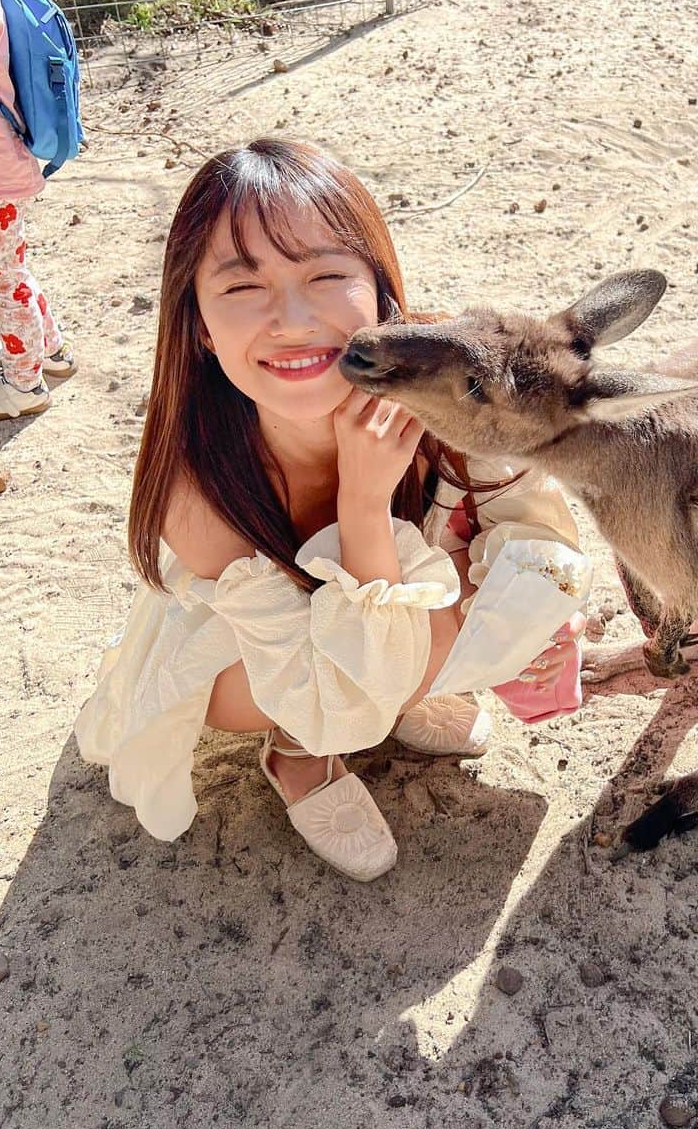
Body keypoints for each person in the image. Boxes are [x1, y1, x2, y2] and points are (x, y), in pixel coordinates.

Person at [75, 139, 586, 881]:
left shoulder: (434, 373)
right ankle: (296, 756)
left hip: (375, 610)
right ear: (199, 328)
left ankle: (410, 682)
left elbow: (537, 519)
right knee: (334, 689)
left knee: (509, 591)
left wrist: (532, 613)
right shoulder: (192, 482)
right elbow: (335, 692)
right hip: (264, 658)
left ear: (381, 293)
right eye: (243, 287)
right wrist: (365, 496)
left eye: (326, 274)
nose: (292, 318)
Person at [0, 0, 75, 421]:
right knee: (10, 272)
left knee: (6, 283)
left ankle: (23, 384)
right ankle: (49, 351)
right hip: (5, 165)